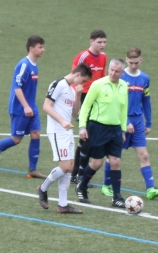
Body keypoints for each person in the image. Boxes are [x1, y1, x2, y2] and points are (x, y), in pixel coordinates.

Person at [101, 49, 158, 201]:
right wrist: (125, 122)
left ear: (141, 60)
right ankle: (106, 185)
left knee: (144, 155)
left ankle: (150, 189)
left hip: (138, 121)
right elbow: (115, 102)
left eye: (136, 63)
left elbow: (146, 100)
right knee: (114, 155)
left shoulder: (144, 78)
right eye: (131, 63)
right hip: (120, 120)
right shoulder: (120, 76)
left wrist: (148, 123)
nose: (133, 65)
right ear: (126, 60)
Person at [0, 36, 46, 178]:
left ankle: (32, 169)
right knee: (16, 139)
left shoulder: (34, 65)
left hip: (31, 106)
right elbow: (17, 87)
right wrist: (26, 106)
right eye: (40, 47)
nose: (43, 49)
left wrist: (30, 106)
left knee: (36, 134)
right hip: (20, 108)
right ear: (31, 48)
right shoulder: (24, 65)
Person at [37, 64, 93, 214]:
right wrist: (62, 121)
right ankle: (43, 188)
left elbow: (75, 114)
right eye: (83, 80)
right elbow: (46, 106)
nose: (83, 84)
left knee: (70, 168)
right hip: (57, 131)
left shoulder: (72, 90)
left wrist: (78, 95)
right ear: (78, 74)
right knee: (65, 167)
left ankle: (63, 204)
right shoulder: (58, 84)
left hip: (67, 131)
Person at [76, 59, 129, 207]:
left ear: (122, 73)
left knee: (115, 162)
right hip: (98, 128)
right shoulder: (98, 85)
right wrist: (82, 127)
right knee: (97, 163)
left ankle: (116, 197)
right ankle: (82, 186)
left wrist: (123, 130)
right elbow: (85, 107)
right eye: (111, 70)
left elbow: (124, 109)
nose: (113, 73)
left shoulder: (124, 86)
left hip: (115, 129)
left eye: (117, 71)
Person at [71, 29, 107, 183]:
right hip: (83, 98)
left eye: (104, 42)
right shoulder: (83, 56)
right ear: (91, 41)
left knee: (84, 139)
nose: (102, 45)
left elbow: (103, 77)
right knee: (87, 137)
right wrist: (76, 95)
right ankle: (80, 175)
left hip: (95, 99)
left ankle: (76, 174)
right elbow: (74, 76)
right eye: (99, 42)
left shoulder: (103, 57)